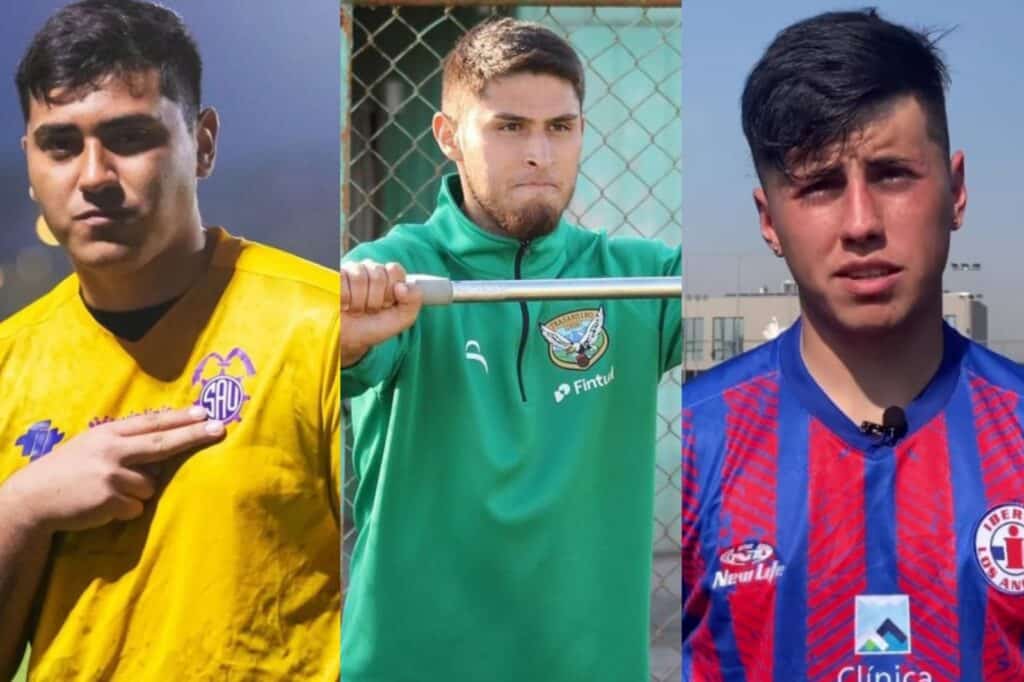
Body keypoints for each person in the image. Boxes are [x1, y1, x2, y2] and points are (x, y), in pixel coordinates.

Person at [0, 1, 340, 679]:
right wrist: (25, 507)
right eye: (60, 145)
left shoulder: (319, 326)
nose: (93, 175)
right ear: (31, 163)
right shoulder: (10, 360)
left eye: (129, 137)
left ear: (203, 142)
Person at [682, 9, 1024, 681]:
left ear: (955, 191)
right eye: (819, 186)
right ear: (769, 221)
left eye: (893, 174)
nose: (862, 223)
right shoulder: (693, 436)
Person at [340, 17, 681, 682]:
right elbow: (346, 361)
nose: (540, 155)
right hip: (412, 664)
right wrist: (345, 350)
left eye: (561, 127)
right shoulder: (391, 273)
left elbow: (775, 306)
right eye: (508, 127)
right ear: (448, 137)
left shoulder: (639, 278)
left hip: (586, 666)